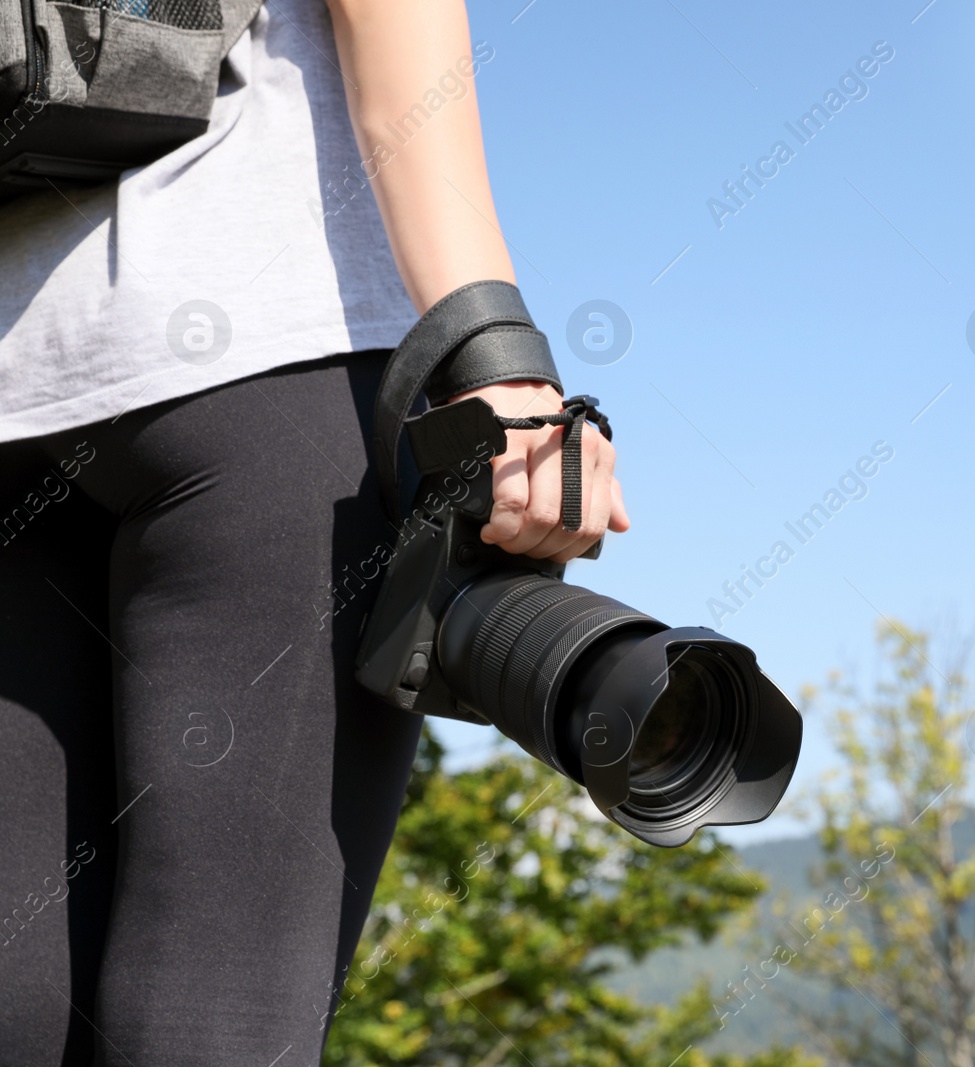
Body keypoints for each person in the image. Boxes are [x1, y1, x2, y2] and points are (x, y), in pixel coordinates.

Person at [0, 0, 626, 1061]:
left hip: (19, 378)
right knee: (224, 1004)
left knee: (18, 996)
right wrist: (498, 359)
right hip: (263, 349)